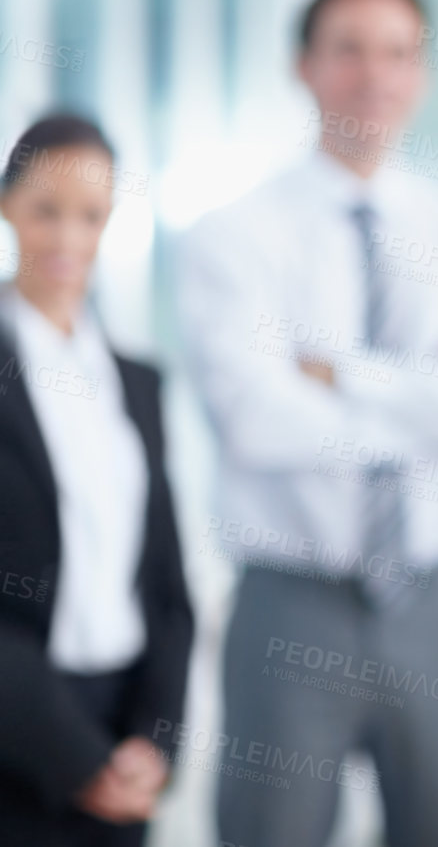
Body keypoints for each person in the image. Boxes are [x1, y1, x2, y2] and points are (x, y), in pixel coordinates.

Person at [177, 0, 438, 847]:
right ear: (302, 66)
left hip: (436, 599)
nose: (374, 76)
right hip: (289, 603)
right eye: (348, 49)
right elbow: (261, 423)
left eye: (397, 53)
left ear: (420, 74)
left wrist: (347, 375)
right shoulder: (234, 236)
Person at [0, 114, 193, 846]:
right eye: (46, 210)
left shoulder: (138, 381)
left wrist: (156, 741)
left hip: (124, 728)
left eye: (91, 215)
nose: (68, 238)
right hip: (17, 734)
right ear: (7, 205)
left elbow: (168, 588)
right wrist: (76, 760)